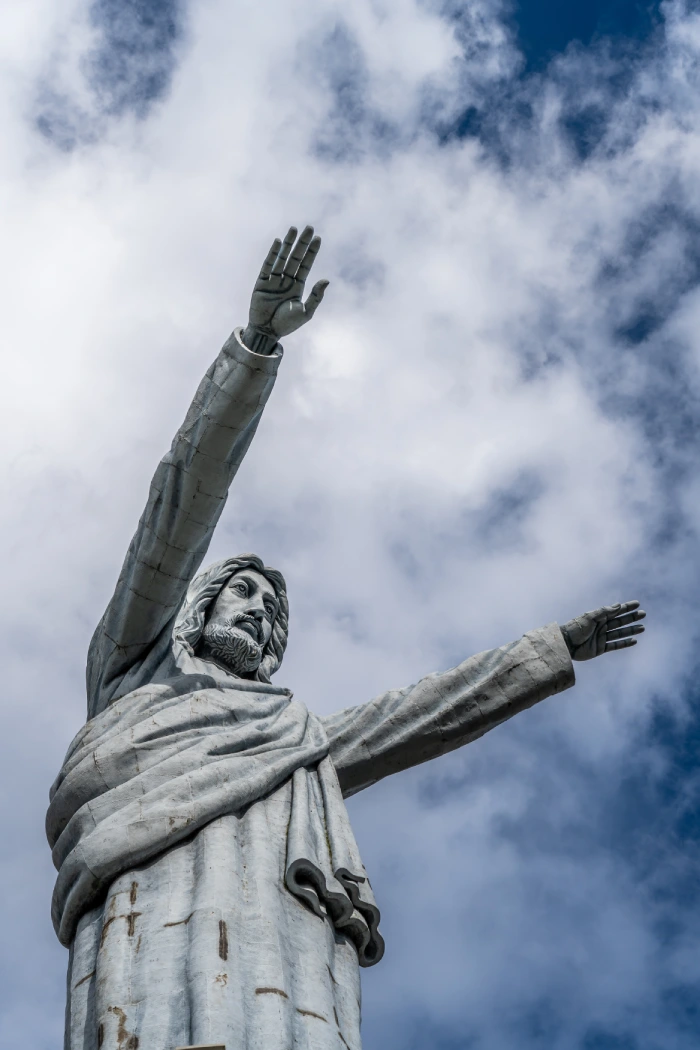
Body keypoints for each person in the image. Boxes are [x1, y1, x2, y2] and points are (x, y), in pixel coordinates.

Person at [47, 226, 646, 1050]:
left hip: (280, 967)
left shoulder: (293, 741)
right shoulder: (133, 671)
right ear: (195, 610)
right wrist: (254, 349)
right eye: (243, 593)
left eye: (274, 613)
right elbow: (180, 505)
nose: (259, 611)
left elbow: (427, 712)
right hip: (144, 940)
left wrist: (549, 650)